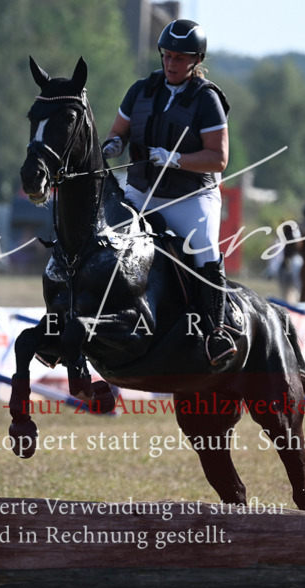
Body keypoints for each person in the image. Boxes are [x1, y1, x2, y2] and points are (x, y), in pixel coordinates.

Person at [101, 18, 234, 365]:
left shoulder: (207, 100)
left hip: (191, 196)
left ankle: (216, 332)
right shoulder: (140, 90)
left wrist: (175, 159)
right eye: (167, 55)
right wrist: (114, 145)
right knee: (105, 242)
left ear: (195, 61)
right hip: (142, 190)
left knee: (204, 250)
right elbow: (119, 132)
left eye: (180, 58)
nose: (171, 63)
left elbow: (218, 158)